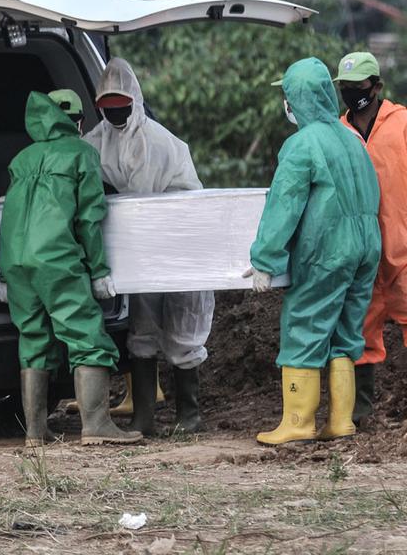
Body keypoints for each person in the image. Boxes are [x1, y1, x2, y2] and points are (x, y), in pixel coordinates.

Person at [244, 57, 380, 445]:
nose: (286, 105)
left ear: (297, 99)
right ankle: (340, 421)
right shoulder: (350, 138)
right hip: (366, 245)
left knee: (305, 324)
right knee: (344, 332)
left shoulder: (302, 144)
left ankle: (299, 423)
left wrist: (264, 260)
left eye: (287, 96)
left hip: (328, 251)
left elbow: (283, 205)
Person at [0, 91, 142, 446]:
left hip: (16, 262)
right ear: (77, 122)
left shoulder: (21, 159)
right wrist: (99, 270)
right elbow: (90, 218)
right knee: (86, 335)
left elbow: (7, 217)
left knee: (33, 338)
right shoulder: (81, 154)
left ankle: (34, 431)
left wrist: (3, 272)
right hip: (57, 260)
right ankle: (95, 425)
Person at [84, 59, 214, 436]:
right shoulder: (100, 137)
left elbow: (141, 200)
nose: (114, 113)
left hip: (178, 239)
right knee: (142, 327)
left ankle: (189, 417)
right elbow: (81, 161)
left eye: (120, 104)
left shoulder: (154, 141)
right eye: (106, 106)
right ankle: (144, 418)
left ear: (135, 100)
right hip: (142, 245)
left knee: (182, 325)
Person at [336, 52, 407, 425]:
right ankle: (362, 411)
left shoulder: (402, 124)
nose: (351, 93)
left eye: (358, 87)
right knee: (360, 327)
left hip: (403, 245)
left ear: (377, 86)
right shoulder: (338, 132)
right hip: (361, 252)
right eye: (345, 87)